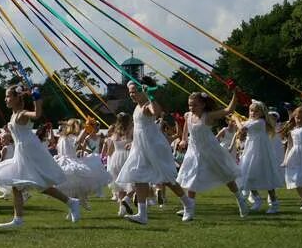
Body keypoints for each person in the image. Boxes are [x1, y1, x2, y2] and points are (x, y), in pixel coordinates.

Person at [0, 85, 81, 229]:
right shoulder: (14, 114)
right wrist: (8, 136)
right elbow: (19, 132)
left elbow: (37, 114)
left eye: (8, 96)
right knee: (22, 185)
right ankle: (69, 203)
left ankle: (20, 219)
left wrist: (37, 98)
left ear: (17, 98)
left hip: (28, 150)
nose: (6, 99)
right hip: (22, 150)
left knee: (33, 184)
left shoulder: (22, 113)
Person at [116, 79, 194, 225]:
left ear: (142, 91)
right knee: (139, 177)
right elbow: (139, 129)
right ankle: (142, 214)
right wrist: (133, 143)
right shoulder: (137, 107)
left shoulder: (146, 105)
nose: (131, 94)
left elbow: (156, 112)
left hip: (154, 146)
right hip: (140, 148)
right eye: (130, 92)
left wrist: (150, 96)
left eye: (134, 92)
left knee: (167, 178)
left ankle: (188, 204)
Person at [176, 90, 248, 220]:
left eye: (195, 105)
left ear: (203, 105)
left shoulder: (208, 116)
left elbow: (228, 110)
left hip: (210, 150)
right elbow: (186, 129)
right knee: (191, 178)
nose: (192, 108)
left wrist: (235, 95)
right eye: (190, 105)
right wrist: (183, 140)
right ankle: (189, 209)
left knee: (226, 176)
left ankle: (240, 199)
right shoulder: (188, 115)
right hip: (194, 151)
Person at [236, 100, 285, 214]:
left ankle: (274, 203)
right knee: (247, 174)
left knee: (266, 177)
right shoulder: (251, 121)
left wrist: (236, 119)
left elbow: (242, 128)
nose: (252, 113)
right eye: (251, 110)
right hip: (250, 151)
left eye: (255, 111)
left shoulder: (260, 122)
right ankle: (257, 199)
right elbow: (243, 131)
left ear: (262, 113)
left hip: (260, 153)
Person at [54, 118, 111, 211]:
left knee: (75, 188)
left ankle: (77, 206)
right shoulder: (71, 137)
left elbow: (73, 146)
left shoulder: (62, 137)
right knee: (76, 186)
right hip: (69, 162)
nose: (80, 129)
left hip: (63, 162)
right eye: (79, 127)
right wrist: (85, 129)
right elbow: (77, 142)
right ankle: (80, 202)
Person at [104, 112, 133, 216]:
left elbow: (109, 151)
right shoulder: (131, 131)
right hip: (128, 157)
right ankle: (127, 199)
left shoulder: (114, 133)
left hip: (116, 159)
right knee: (135, 183)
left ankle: (122, 209)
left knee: (120, 186)